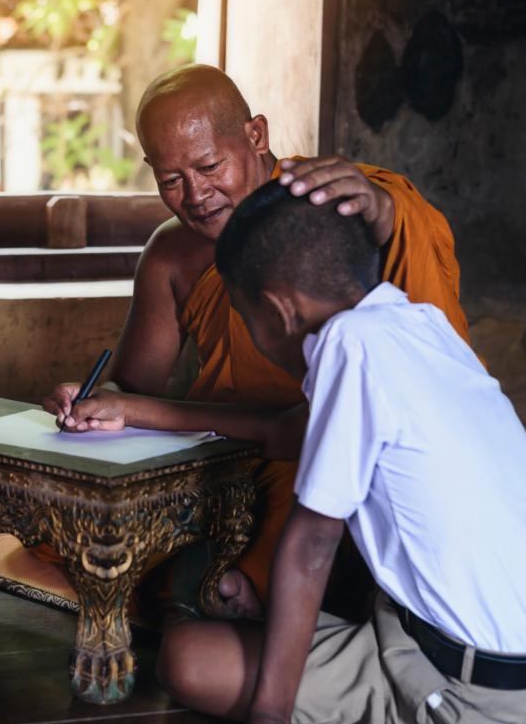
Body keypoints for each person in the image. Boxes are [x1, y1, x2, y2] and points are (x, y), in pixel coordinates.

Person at [75, 180, 526, 724]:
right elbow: (280, 432)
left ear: (277, 311)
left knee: (188, 658)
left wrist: (270, 715)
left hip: (468, 692)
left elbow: (311, 545)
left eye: (248, 322)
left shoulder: (348, 347)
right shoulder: (412, 322)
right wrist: (130, 410)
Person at [39, 63, 473, 616]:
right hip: (212, 447)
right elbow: (132, 386)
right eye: (170, 180)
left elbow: (398, 241)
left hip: (317, 443)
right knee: (85, 528)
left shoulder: (328, 205)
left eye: (209, 165)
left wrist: (385, 210)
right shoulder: (172, 252)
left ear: (256, 135)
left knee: (311, 506)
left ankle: (248, 598)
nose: (195, 195)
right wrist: (91, 403)